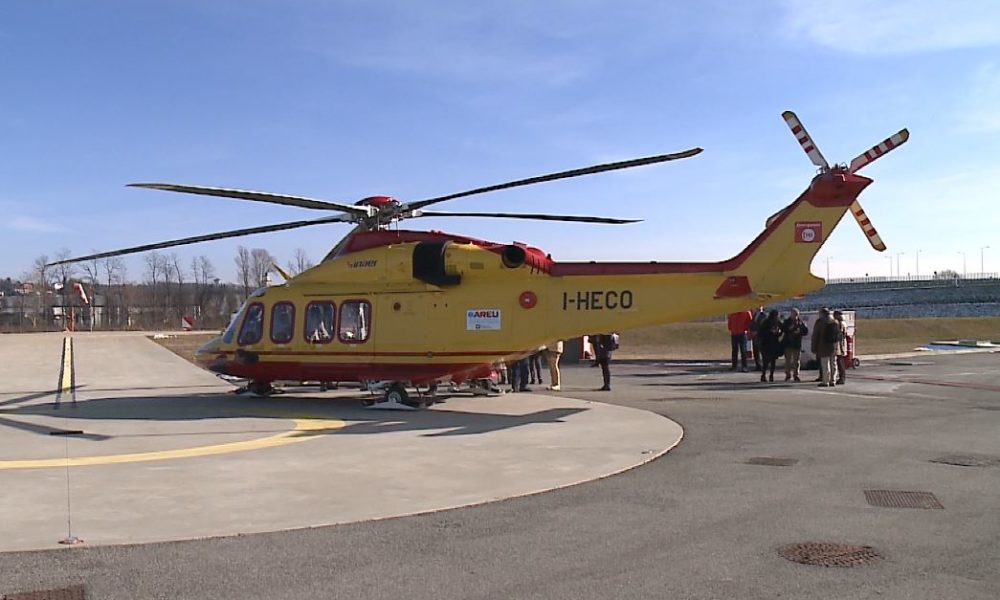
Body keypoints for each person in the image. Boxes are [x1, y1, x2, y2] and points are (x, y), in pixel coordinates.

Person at [810, 307, 838, 387]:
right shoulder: (834, 322)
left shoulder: (820, 323)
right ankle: (833, 380)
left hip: (823, 346)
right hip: (833, 345)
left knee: (825, 365)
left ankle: (826, 381)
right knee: (833, 363)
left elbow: (815, 336)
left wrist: (814, 347)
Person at [781, 308, 808, 382]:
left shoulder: (800, 322)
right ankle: (788, 375)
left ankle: (796, 375)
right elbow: (783, 329)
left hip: (797, 344)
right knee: (788, 361)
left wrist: (799, 332)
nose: (794, 316)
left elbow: (805, 331)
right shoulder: (787, 322)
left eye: (796, 314)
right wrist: (790, 329)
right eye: (793, 314)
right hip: (788, 344)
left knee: (797, 361)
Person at [758, 310, 783, 382]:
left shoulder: (778, 322)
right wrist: (770, 331)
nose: (777, 317)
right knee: (765, 361)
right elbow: (761, 332)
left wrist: (779, 332)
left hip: (774, 344)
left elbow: (782, 329)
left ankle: (771, 375)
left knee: (773, 360)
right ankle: (763, 374)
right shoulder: (766, 322)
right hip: (766, 344)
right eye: (776, 315)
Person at [749, 306, 767, 371]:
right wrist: (751, 331)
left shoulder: (764, 315)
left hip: (760, 336)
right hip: (754, 336)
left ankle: (765, 365)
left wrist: (757, 332)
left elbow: (763, 325)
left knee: (762, 351)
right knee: (755, 351)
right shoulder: (754, 315)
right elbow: (752, 324)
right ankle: (758, 365)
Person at [833, 310, 848, 385]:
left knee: (840, 361)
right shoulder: (843, 322)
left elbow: (840, 335)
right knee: (840, 361)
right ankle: (842, 377)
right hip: (842, 343)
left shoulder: (840, 323)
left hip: (840, 344)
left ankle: (842, 378)